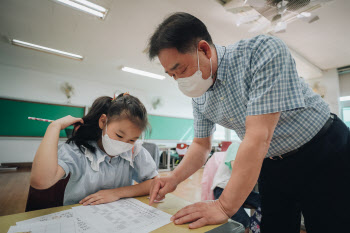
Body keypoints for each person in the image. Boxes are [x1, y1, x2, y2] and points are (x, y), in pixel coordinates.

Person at [147, 12, 350, 233]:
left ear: (204, 50)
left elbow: (258, 135)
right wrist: (174, 178)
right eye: (172, 75)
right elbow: (200, 145)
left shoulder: (260, 51)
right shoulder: (200, 95)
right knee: (275, 226)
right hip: (271, 162)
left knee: (330, 224)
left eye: (182, 70)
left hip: (324, 149)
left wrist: (224, 206)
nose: (180, 81)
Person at [31, 93, 158, 206]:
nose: (124, 144)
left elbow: (154, 183)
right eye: (119, 135)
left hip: (117, 215)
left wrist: (117, 193)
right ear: (103, 122)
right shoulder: (78, 150)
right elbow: (41, 181)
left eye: (132, 140)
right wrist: (54, 127)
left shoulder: (134, 151)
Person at [212, 141, 260, 233]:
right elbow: (237, 170)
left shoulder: (254, 152)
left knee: (264, 202)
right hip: (224, 189)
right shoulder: (235, 146)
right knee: (243, 222)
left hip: (240, 190)